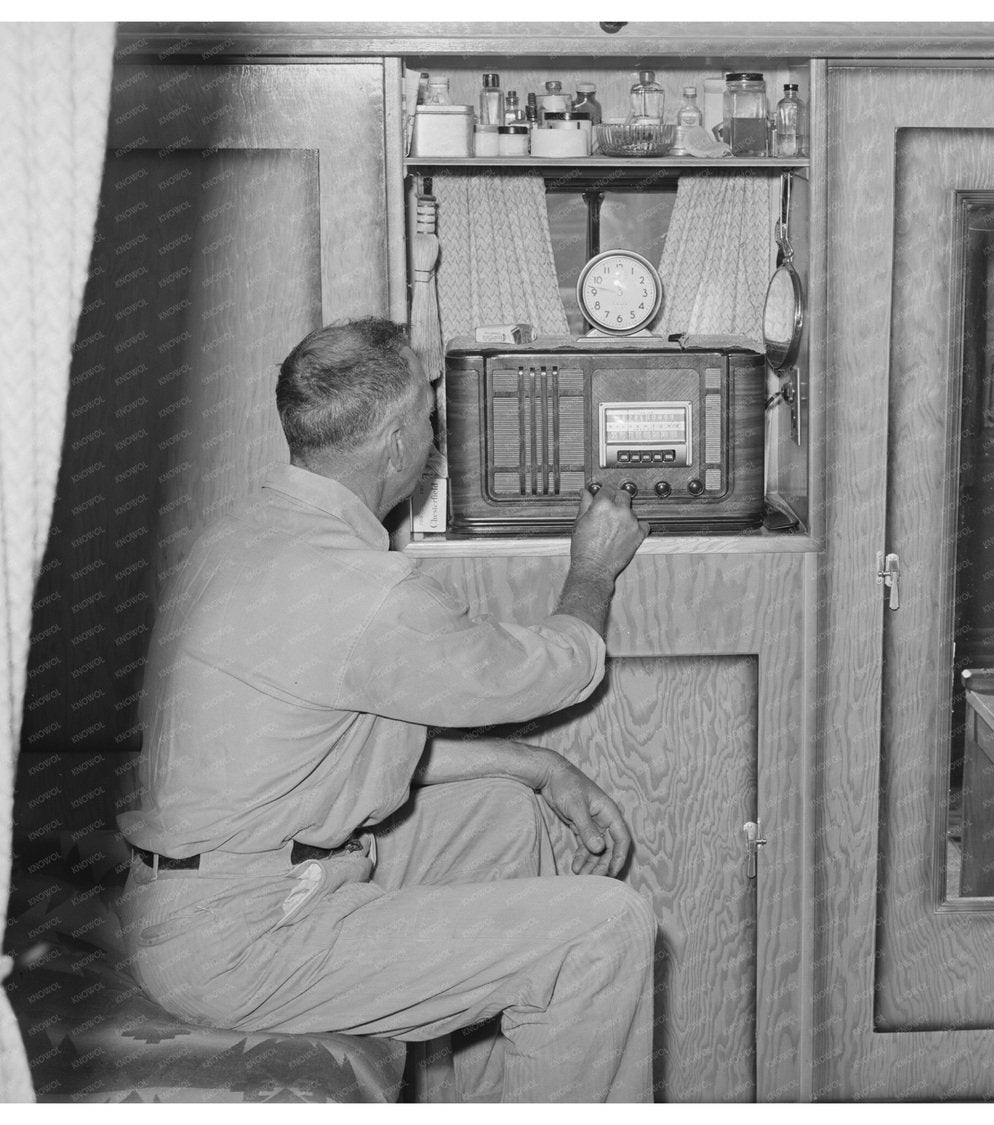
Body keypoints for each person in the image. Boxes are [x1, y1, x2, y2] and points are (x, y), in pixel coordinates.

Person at [117, 317, 656, 1102]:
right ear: (399, 440)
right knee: (605, 929)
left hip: (201, 890)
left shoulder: (238, 532)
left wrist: (538, 765)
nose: (434, 435)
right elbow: (553, 669)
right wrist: (594, 567)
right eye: (429, 417)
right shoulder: (369, 593)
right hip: (242, 937)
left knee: (503, 814)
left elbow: (333, 746)